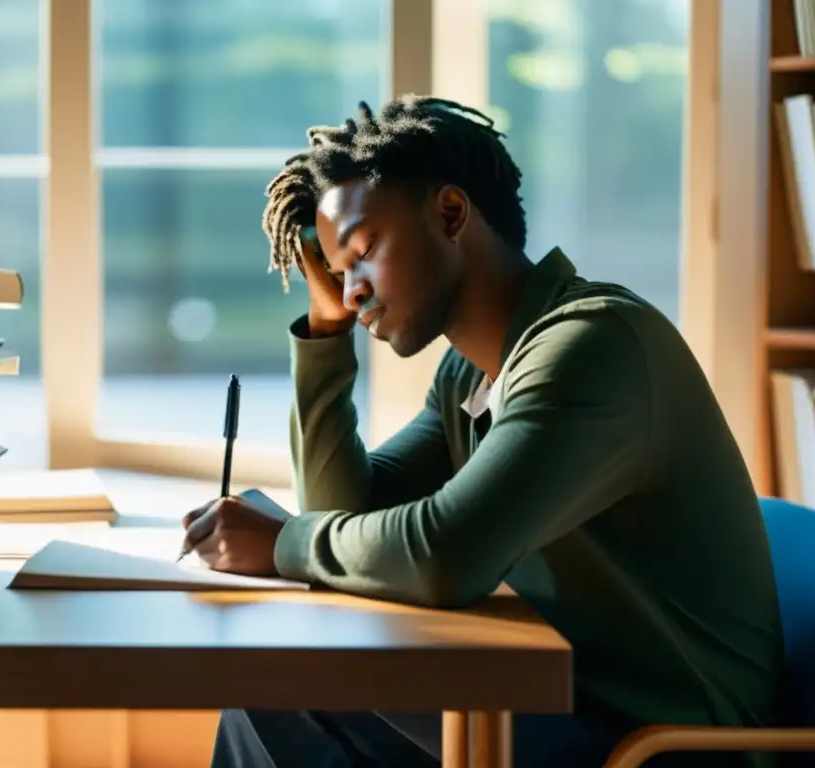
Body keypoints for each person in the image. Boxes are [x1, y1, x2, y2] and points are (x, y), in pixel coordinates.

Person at [180, 95, 782, 768]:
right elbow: (348, 516)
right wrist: (324, 336)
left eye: (365, 251)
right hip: (549, 699)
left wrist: (284, 542)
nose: (352, 289)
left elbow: (444, 555)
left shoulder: (594, 346)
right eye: (337, 269)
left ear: (450, 213)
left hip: (661, 745)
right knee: (281, 688)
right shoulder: (470, 372)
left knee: (290, 689)